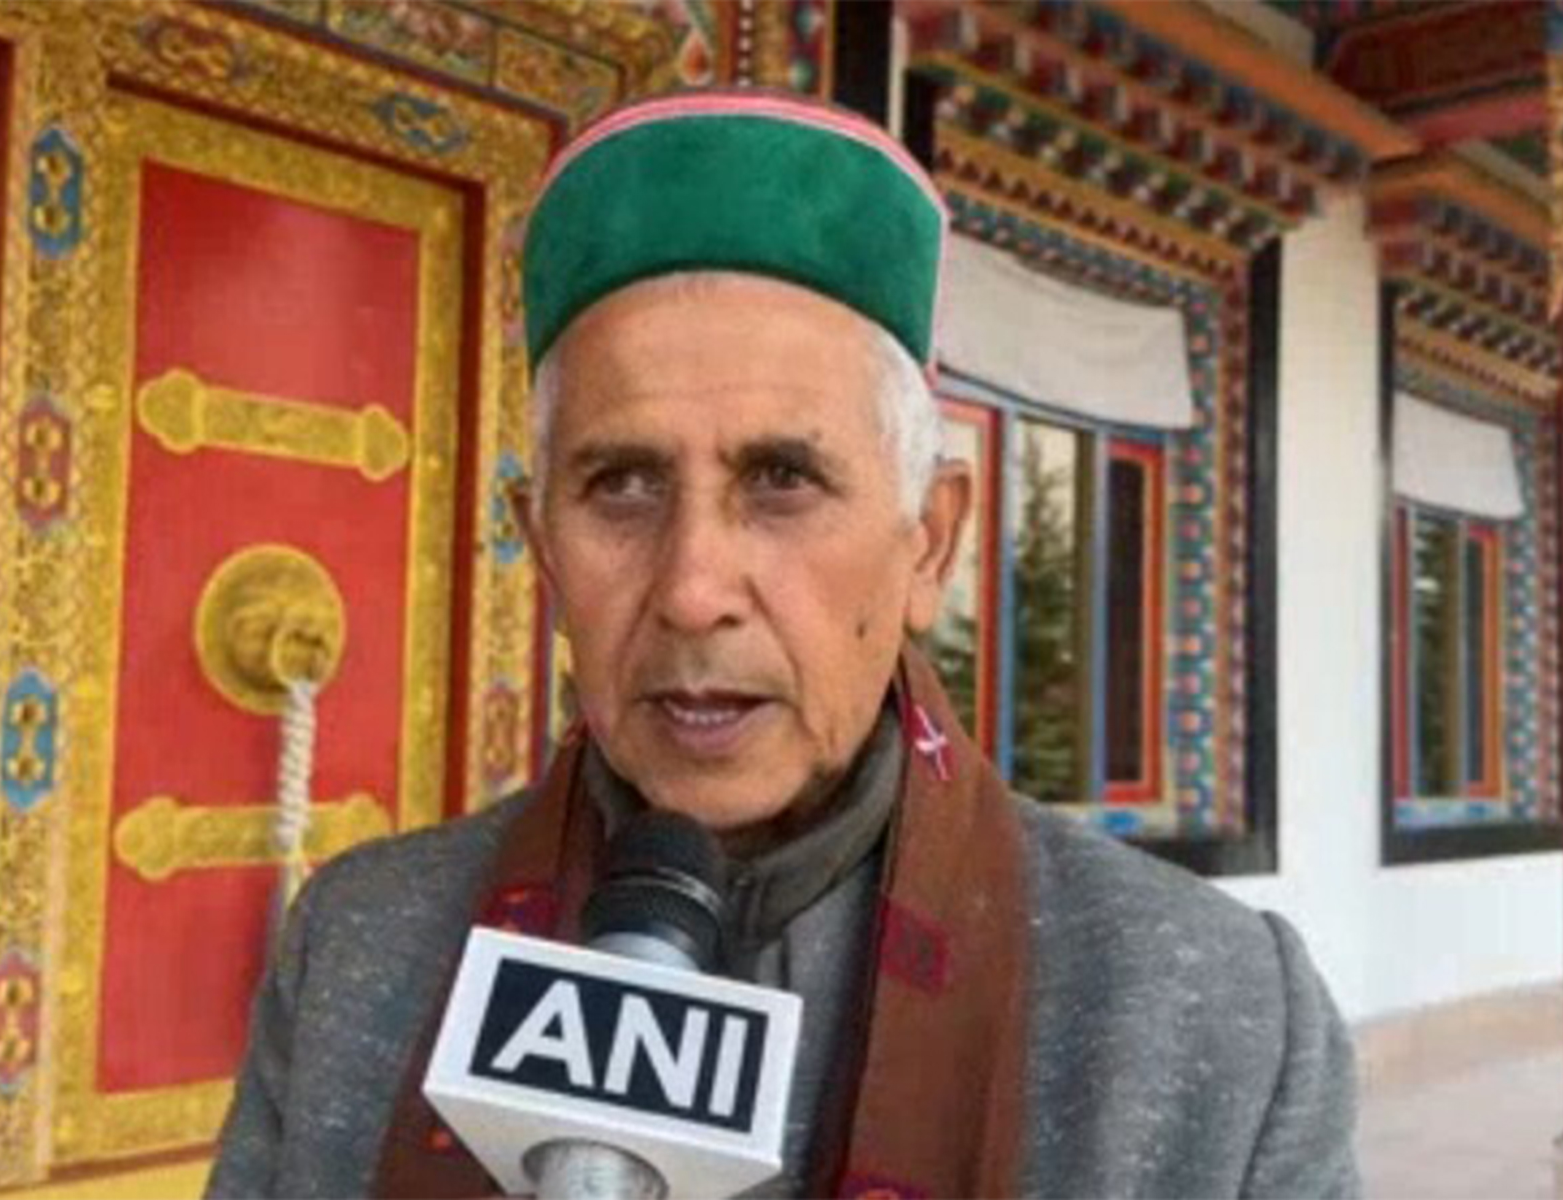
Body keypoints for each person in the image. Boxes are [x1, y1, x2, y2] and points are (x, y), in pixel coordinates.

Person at [206, 89, 1357, 1199]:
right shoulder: (363, 953)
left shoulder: (1210, 1021)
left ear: (928, 544)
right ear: (542, 552)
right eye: (621, 486)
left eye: (782, 481)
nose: (694, 589)